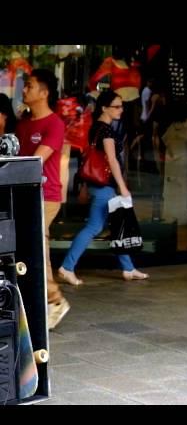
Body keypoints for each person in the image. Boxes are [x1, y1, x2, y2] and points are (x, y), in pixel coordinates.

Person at [58, 90, 149, 285]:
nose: (121, 110)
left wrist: (84, 185)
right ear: (104, 108)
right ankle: (67, 267)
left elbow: (89, 158)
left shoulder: (96, 128)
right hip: (104, 186)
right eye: (116, 106)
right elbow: (113, 161)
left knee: (116, 225)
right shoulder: (106, 130)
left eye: (121, 106)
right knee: (95, 227)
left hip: (97, 185)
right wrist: (123, 187)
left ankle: (128, 268)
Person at [15, 69, 70, 330]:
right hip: (23, 193)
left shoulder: (54, 124)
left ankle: (54, 300)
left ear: (44, 93)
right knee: (31, 246)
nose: (25, 90)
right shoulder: (23, 123)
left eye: (30, 86)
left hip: (46, 196)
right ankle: (41, 300)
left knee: (38, 245)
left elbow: (37, 161)